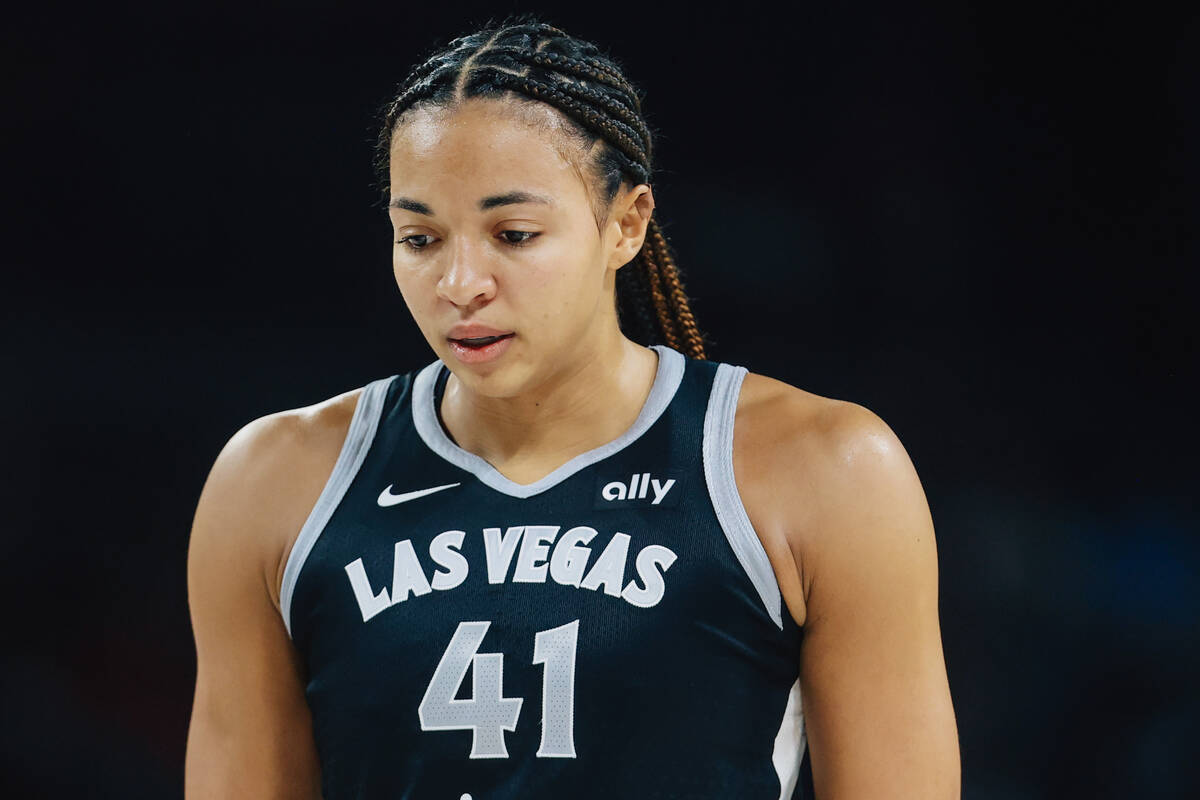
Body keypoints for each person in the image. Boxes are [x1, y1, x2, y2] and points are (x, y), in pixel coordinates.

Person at [184, 15, 960, 800]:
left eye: (513, 234)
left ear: (626, 224)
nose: (460, 283)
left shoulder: (826, 470)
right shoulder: (274, 483)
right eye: (419, 239)